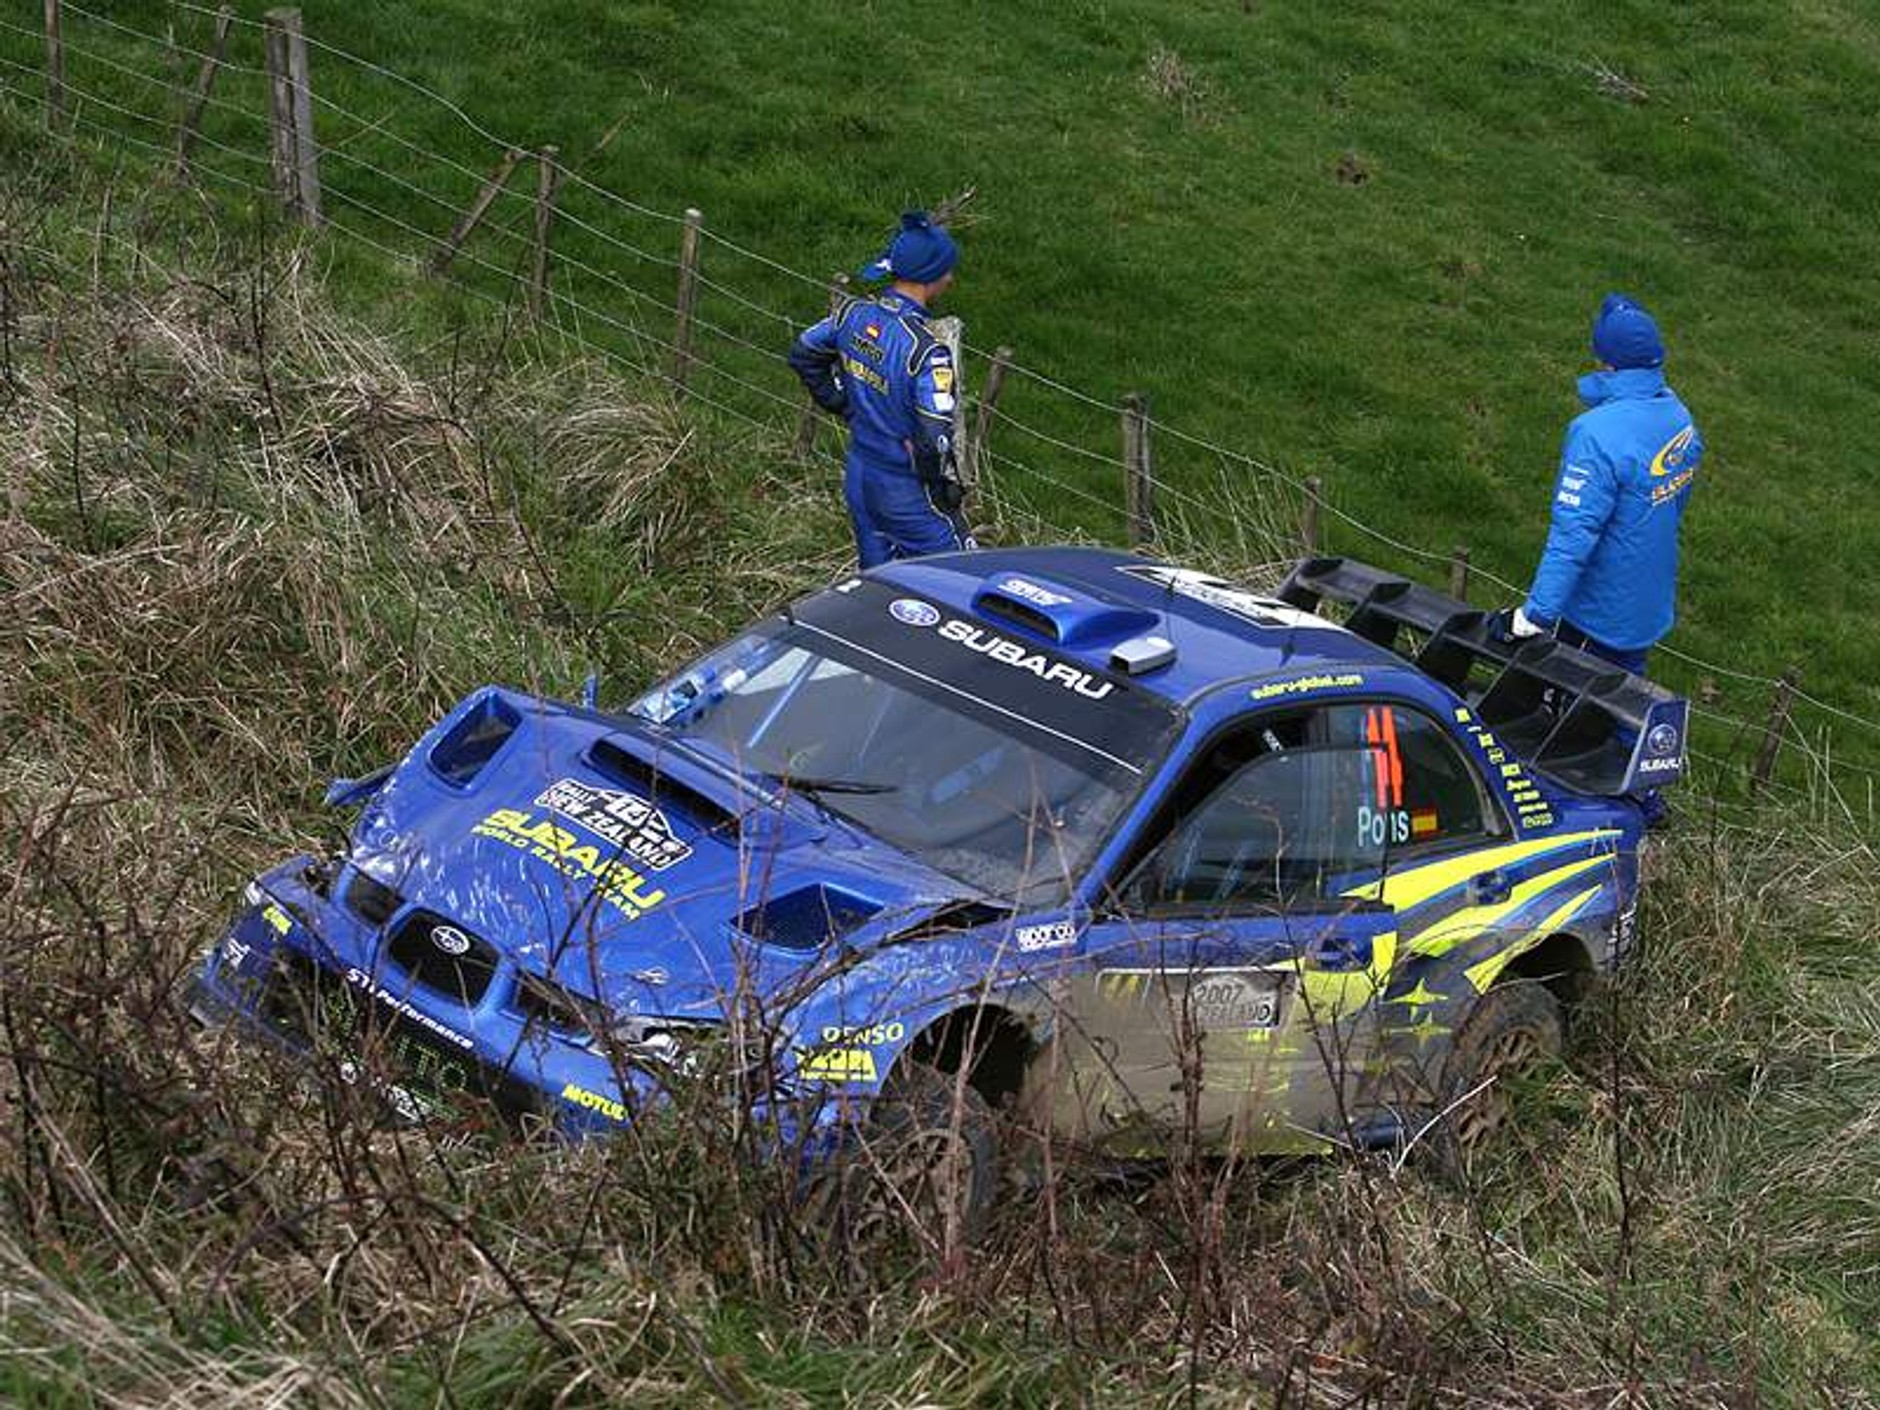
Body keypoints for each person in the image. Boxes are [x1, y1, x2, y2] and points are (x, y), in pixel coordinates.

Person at [1495, 292, 1704, 676]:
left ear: (1605, 361)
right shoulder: (1679, 418)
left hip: (1597, 613)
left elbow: (1575, 533)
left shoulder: (1596, 435)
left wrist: (1531, 617)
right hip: (1647, 599)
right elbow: (1675, 501)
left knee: (1579, 712)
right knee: (1627, 695)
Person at [788, 211, 974, 568]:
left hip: (860, 475)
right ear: (930, 276)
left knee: (878, 586)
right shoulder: (926, 352)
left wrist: (840, 402)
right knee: (964, 579)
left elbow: (803, 352)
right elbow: (935, 435)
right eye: (947, 270)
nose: (951, 278)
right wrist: (940, 486)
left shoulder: (851, 315)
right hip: (906, 491)